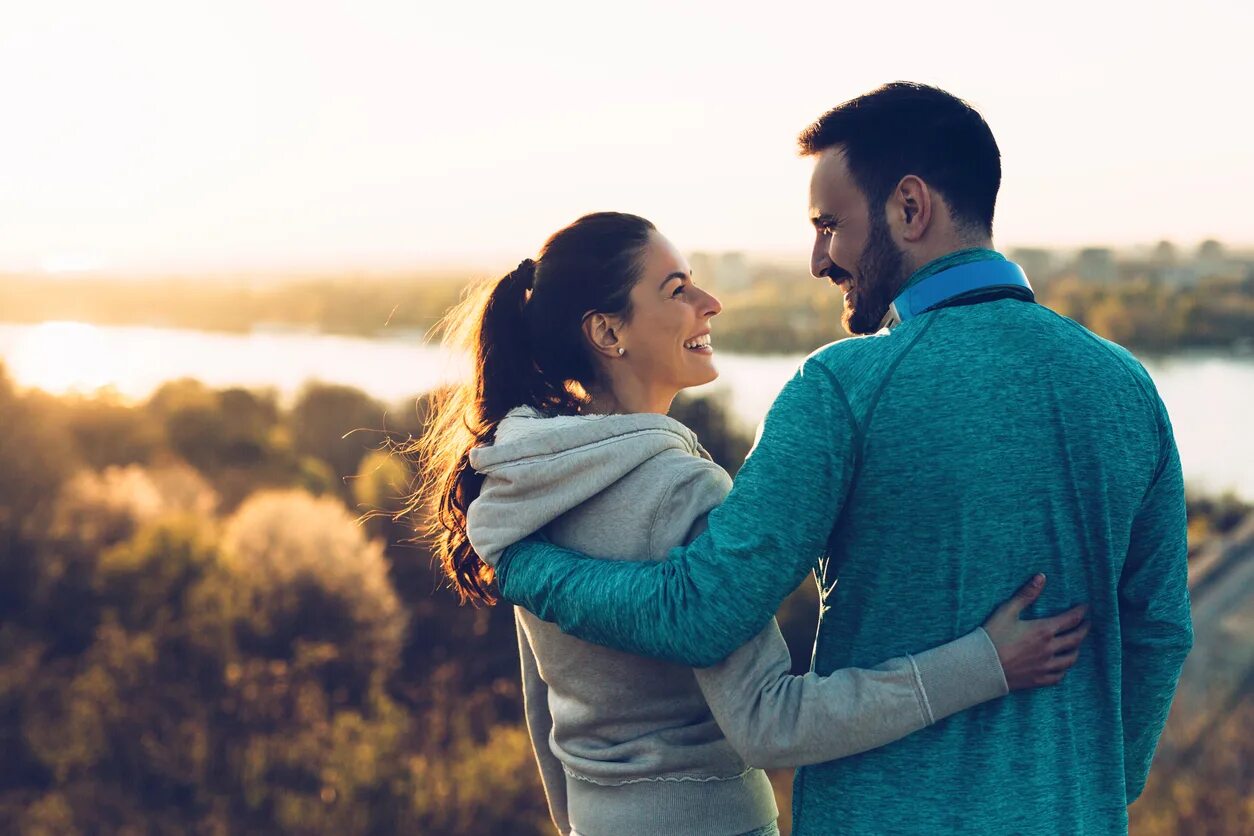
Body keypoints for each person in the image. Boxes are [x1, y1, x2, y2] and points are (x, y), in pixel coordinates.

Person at [489, 85, 1193, 834]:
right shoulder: (1126, 387)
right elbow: (1158, 630)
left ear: (909, 208)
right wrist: (1090, 790)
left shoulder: (844, 389)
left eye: (830, 226)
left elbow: (703, 612)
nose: (820, 258)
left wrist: (524, 568)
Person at [418, 211, 1087, 836]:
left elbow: (545, 713)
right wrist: (983, 663)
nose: (710, 303)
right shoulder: (681, 491)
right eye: (677, 289)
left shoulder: (521, 480)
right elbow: (772, 723)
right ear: (607, 332)